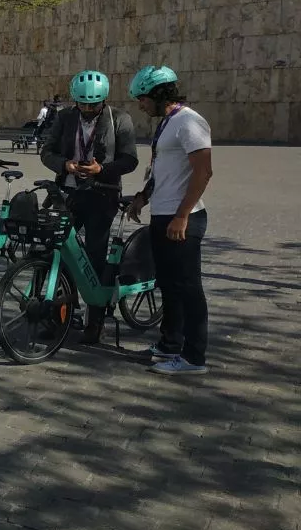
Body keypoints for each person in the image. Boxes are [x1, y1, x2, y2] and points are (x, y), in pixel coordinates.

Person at [126, 65, 213, 376]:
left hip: (183, 219)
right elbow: (161, 169)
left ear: (160, 95)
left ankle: (193, 358)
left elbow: (203, 171)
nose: (141, 104)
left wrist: (182, 215)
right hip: (164, 215)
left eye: (143, 98)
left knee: (188, 288)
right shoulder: (168, 123)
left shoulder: (189, 122)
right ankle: (169, 345)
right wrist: (142, 197)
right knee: (169, 286)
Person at [40, 70, 138, 343]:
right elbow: (46, 151)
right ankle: (58, 316)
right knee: (56, 255)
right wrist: (64, 165)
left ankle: (95, 322)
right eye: (82, 104)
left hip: (101, 194)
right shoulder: (64, 117)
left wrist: (102, 170)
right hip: (67, 192)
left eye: (93, 105)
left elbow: (130, 160)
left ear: (103, 101)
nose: (87, 109)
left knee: (94, 256)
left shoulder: (119, 119)